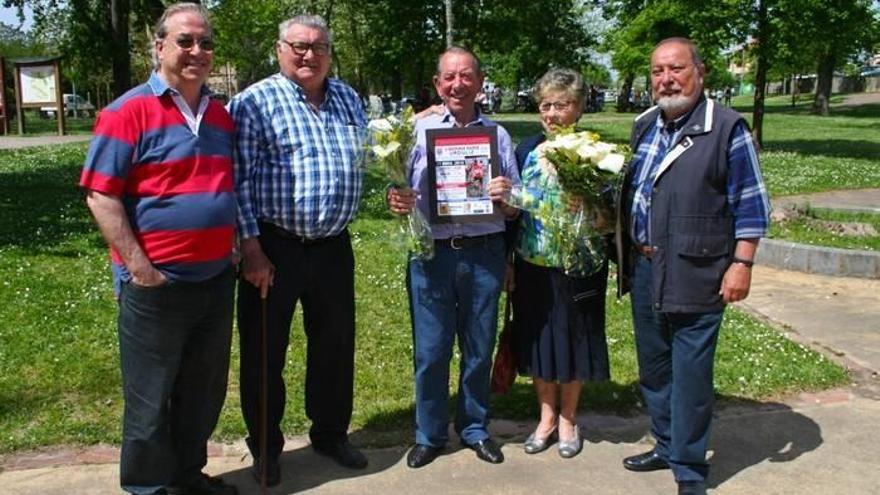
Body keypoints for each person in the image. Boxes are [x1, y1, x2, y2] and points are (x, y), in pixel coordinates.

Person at [79, 3, 237, 494]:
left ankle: (187, 476)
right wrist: (140, 268)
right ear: (160, 47)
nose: (197, 51)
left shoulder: (219, 115)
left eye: (205, 43)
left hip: (215, 280)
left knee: (201, 392)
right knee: (150, 399)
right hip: (156, 284)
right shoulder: (126, 111)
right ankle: (148, 487)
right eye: (185, 41)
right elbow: (100, 194)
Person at [615, 38, 770, 495]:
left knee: (691, 374)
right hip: (646, 267)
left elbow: (751, 204)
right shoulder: (645, 124)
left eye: (676, 69)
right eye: (658, 71)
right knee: (655, 369)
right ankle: (666, 444)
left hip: (697, 270)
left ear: (700, 72)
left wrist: (741, 263)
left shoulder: (726, 128)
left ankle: (688, 467)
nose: (666, 79)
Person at [228, 14, 368, 487]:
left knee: (335, 346)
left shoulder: (348, 98)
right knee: (265, 351)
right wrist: (251, 248)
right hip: (273, 247)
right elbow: (237, 181)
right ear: (279, 50)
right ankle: (266, 449)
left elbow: (369, 160)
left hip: (333, 247)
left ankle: (330, 434)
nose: (310, 55)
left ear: (330, 52)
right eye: (299, 46)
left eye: (319, 47)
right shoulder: (254, 102)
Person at [386, 46, 521, 469]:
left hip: (484, 254)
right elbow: (395, 186)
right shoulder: (415, 131)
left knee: (478, 347)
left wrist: (507, 197)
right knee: (431, 351)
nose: (457, 84)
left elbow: (516, 205)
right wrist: (395, 198)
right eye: (449, 77)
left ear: (480, 83)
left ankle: (474, 427)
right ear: (437, 83)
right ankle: (429, 433)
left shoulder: (497, 136)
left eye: (466, 76)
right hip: (432, 254)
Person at [511, 68, 612, 460]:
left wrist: (589, 207)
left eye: (562, 105)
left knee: (575, 339)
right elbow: (514, 212)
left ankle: (569, 419)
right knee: (538, 339)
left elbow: (611, 217)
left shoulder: (596, 154)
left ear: (580, 108)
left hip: (580, 266)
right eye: (545, 105)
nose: (552, 113)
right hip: (532, 262)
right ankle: (546, 417)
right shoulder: (526, 150)